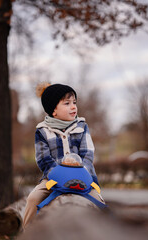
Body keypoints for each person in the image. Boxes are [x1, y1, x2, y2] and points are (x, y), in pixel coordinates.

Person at [22, 83, 105, 228]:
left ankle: (104, 232)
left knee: (99, 202)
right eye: (67, 103)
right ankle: (28, 232)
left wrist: (83, 173)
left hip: (83, 178)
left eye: (74, 102)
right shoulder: (42, 131)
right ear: (53, 110)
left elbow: (87, 154)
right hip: (53, 179)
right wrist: (60, 176)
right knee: (33, 199)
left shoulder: (81, 126)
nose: (73, 107)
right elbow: (44, 159)